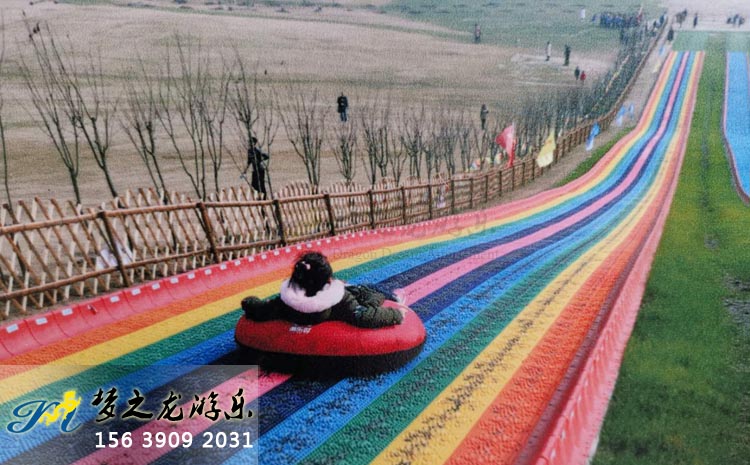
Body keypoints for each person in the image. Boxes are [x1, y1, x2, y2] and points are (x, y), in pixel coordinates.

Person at [241, 252, 404, 328]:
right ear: (328, 281)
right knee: (366, 290)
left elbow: (260, 309)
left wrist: (250, 303)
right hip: (353, 299)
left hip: (317, 296)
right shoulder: (341, 299)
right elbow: (363, 316)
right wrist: (396, 314)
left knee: (354, 288)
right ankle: (392, 297)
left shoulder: (284, 303)